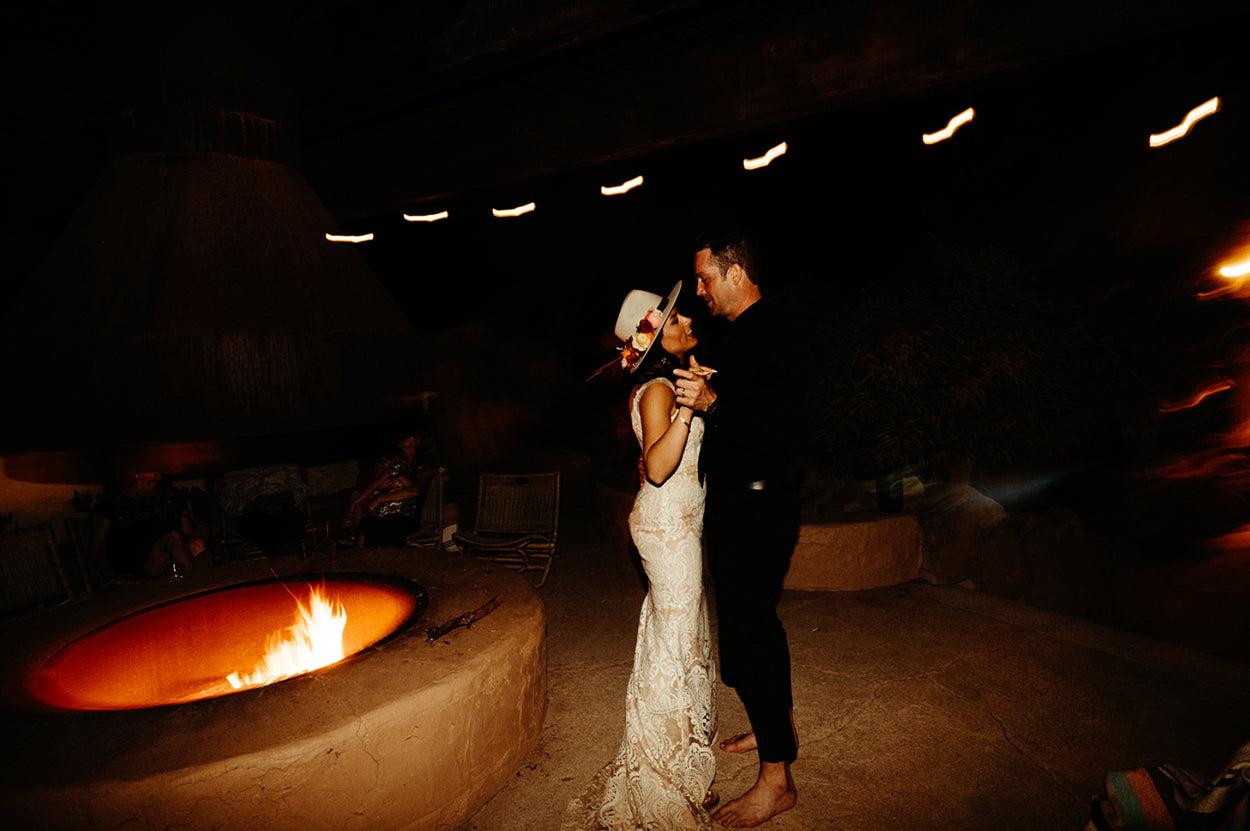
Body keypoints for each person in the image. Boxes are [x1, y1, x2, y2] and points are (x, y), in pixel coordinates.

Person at [565, 280, 718, 830]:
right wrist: (684, 407)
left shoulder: (669, 382)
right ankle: (661, 776)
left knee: (678, 639)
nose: (689, 324)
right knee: (673, 649)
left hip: (679, 523)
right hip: (668, 529)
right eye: (678, 321)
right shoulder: (658, 390)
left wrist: (697, 391)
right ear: (657, 339)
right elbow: (656, 467)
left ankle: (680, 760)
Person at [673, 230, 804, 827]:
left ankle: (777, 782)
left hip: (758, 507)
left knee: (751, 631)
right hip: (742, 504)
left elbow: (777, 431)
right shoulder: (746, 333)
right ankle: (776, 723)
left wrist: (713, 404)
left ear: (735, 271)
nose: (699, 290)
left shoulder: (775, 331)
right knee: (752, 627)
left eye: (704, 278)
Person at [91, 471, 207, 579]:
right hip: (136, 564)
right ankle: (190, 588)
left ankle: (203, 587)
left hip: (173, 557)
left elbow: (188, 533)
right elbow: (97, 548)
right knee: (173, 538)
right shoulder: (111, 503)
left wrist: (201, 529)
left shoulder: (172, 496)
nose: (153, 476)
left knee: (195, 544)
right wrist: (113, 576)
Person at [341, 421, 437, 548]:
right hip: (385, 511)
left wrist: (380, 498)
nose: (401, 441)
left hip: (408, 514)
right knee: (369, 523)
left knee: (389, 524)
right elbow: (375, 485)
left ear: (415, 441)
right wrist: (360, 500)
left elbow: (416, 490)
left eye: (406, 438)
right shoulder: (393, 463)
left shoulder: (423, 465)